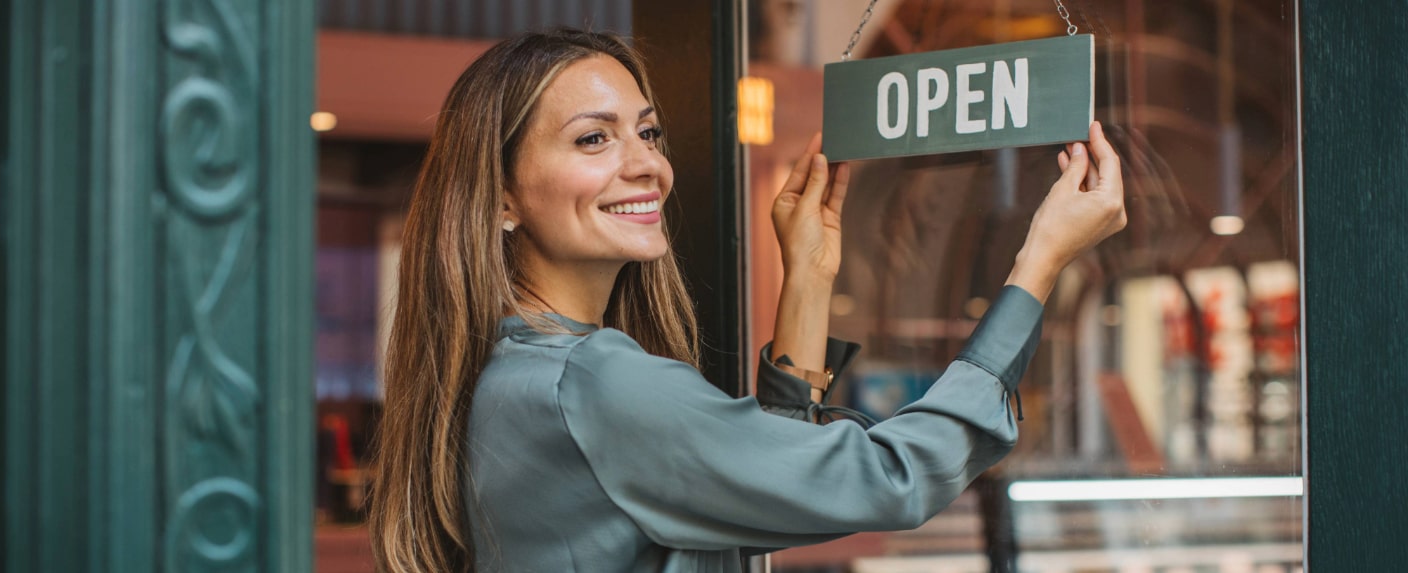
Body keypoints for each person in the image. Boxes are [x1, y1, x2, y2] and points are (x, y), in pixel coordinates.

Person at [370, 28, 1126, 573]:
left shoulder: (513, 372)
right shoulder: (594, 382)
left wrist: (807, 278)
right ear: (502, 197)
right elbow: (891, 477)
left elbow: (761, 488)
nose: (647, 165)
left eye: (648, 132)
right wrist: (1039, 262)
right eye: (593, 140)